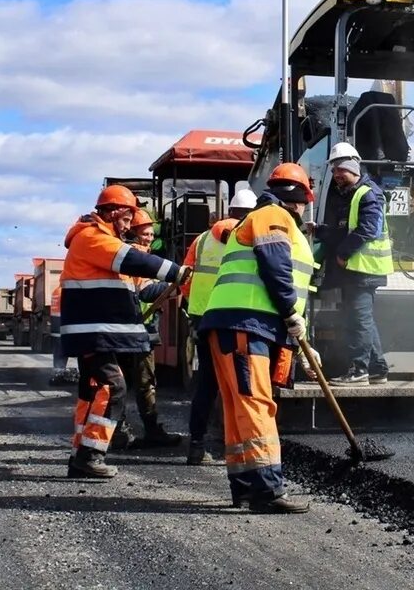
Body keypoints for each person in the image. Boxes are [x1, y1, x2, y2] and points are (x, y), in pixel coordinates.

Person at [199, 163, 318, 513]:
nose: (302, 210)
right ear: (296, 199)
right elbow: (275, 267)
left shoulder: (269, 218)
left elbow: (290, 282)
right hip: (245, 323)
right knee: (255, 404)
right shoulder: (272, 216)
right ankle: (267, 489)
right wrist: (290, 315)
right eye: (302, 203)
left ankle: (246, 487)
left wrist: (299, 334)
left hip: (243, 323)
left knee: (241, 407)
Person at [62, 185, 191, 479]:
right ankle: (91, 456)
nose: (128, 226)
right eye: (125, 219)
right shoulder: (92, 237)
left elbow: (135, 285)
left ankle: (81, 455)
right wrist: (175, 271)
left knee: (92, 390)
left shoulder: (98, 240)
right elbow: (132, 260)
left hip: (95, 330)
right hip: (93, 330)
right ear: (112, 212)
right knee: (114, 387)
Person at [182, 185, 258, 466]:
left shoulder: (201, 240)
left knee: (207, 383)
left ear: (229, 211)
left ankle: (197, 446)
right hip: (238, 317)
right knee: (242, 383)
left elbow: (185, 278)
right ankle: (240, 450)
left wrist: (196, 306)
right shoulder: (249, 237)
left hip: (203, 318)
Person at [317, 142, 393, 386]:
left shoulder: (367, 192)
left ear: (354, 167)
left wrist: (342, 253)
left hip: (364, 269)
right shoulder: (351, 194)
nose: (337, 175)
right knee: (363, 320)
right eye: (334, 170)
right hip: (357, 270)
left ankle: (359, 370)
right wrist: (320, 231)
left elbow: (368, 229)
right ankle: (378, 369)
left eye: (341, 170)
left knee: (358, 321)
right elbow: (344, 230)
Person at [113, 208, 182, 450]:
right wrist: (174, 284)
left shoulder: (134, 254)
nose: (149, 238)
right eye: (145, 234)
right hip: (137, 331)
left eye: (152, 234)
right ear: (133, 233)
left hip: (137, 330)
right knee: (141, 383)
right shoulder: (135, 256)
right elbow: (146, 291)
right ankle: (137, 430)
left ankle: (122, 431)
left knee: (133, 383)